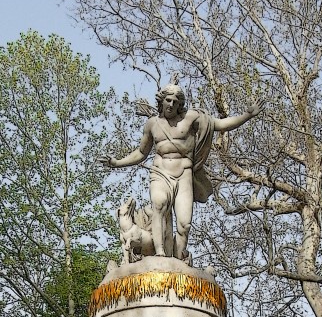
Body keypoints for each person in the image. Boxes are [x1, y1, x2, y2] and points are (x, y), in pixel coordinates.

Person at [101, 81, 264, 262]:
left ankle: (178, 262)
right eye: (168, 100)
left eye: (175, 102)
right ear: (162, 101)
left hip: (184, 174)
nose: (171, 105)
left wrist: (247, 115)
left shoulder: (191, 118)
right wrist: (117, 162)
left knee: (184, 225)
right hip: (160, 172)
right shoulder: (152, 124)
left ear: (180, 105)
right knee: (159, 204)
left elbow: (220, 125)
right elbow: (141, 153)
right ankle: (160, 253)